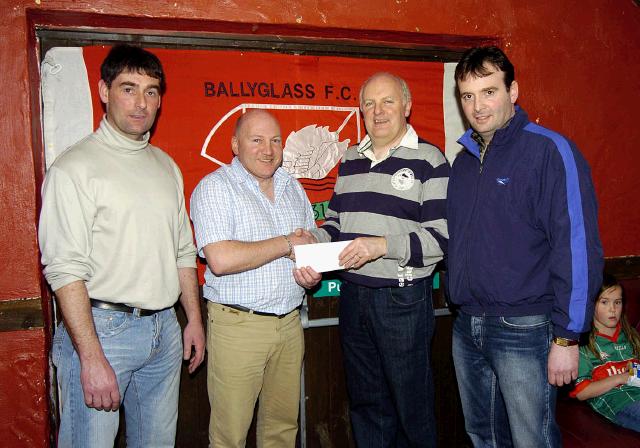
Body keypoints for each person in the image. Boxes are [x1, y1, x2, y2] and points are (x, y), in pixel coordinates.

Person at [39, 45, 205, 447]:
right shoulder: (73, 169)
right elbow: (64, 269)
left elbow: (183, 250)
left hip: (164, 329)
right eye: (128, 88)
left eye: (151, 91)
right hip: (101, 332)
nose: (141, 102)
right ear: (103, 91)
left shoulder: (167, 166)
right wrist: (90, 357)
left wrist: (193, 320)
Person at [447, 45, 604, 447]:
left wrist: (568, 338)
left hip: (525, 329)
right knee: (482, 437)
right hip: (467, 325)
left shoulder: (550, 151)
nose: (478, 106)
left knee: (531, 440)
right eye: (468, 95)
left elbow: (577, 247)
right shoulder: (463, 162)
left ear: (513, 92)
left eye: (489, 91)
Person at [308, 72, 449, 447]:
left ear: (407, 106)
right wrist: (313, 240)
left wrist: (381, 245)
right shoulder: (351, 157)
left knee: (411, 409)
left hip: (402, 299)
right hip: (354, 297)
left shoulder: (430, 159)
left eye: (387, 101)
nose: (378, 111)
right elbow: (336, 222)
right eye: (369, 103)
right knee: (367, 405)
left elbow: (440, 238)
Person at [190, 109, 321, 447]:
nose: (268, 149)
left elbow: (313, 240)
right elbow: (220, 259)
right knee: (230, 435)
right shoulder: (216, 188)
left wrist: (311, 271)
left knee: (282, 430)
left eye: (275, 140)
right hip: (238, 327)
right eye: (257, 140)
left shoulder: (293, 187)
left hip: (290, 323)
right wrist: (288, 244)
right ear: (235, 144)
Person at [571, 273, 640, 432]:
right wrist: (622, 377)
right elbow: (582, 392)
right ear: (591, 305)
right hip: (622, 402)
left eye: (617, 302)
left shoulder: (630, 335)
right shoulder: (584, 343)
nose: (612, 309)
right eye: (604, 302)